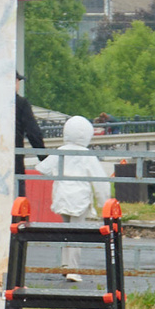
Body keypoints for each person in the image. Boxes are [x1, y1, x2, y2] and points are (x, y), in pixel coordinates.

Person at [45, 115, 111, 283]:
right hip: (79, 197)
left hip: (61, 196)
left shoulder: (61, 151)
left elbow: (43, 168)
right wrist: (105, 206)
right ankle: (73, 270)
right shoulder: (87, 155)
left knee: (66, 231)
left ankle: (66, 265)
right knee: (77, 233)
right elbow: (101, 182)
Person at [13, 73, 46, 178]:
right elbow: (33, 133)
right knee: (18, 192)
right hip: (14, 163)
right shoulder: (21, 104)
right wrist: (44, 157)